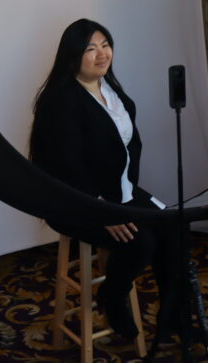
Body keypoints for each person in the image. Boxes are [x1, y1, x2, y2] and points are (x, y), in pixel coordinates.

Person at [29, 18, 181, 340]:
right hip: (75, 201)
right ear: (72, 55)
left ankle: (174, 316)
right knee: (141, 242)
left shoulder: (109, 89)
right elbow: (64, 168)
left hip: (118, 192)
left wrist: (123, 198)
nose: (102, 54)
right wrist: (102, 211)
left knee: (173, 225)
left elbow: (125, 148)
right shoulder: (61, 101)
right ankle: (112, 296)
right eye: (90, 49)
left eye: (106, 45)